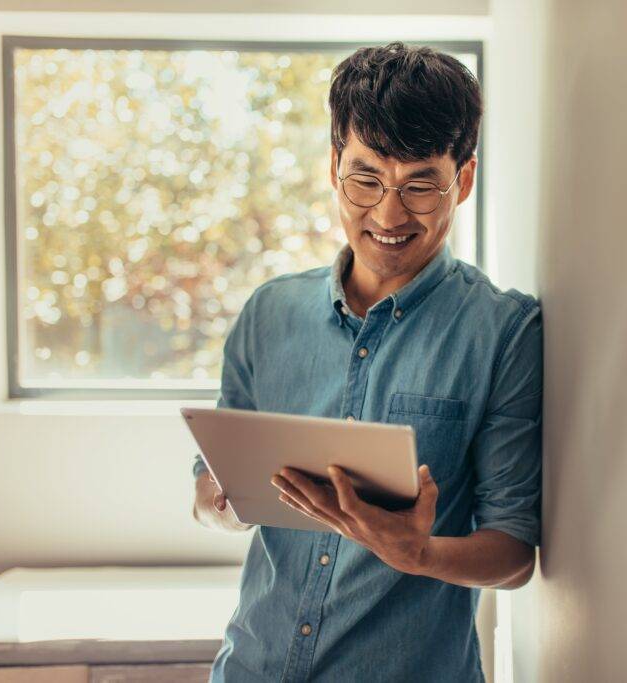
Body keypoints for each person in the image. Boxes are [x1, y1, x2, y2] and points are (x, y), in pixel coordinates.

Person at [191, 42, 542, 682]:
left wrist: (420, 553)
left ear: (462, 181)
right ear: (333, 167)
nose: (387, 214)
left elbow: (514, 553)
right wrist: (224, 503)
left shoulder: (504, 332)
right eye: (366, 178)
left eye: (420, 185)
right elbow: (208, 495)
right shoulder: (267, 315)